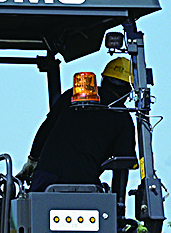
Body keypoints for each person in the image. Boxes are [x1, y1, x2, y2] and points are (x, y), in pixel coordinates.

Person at [23, 57, 139, 190]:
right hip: (83, 182)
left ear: (104, 80)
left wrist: (33, 160)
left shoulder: (73, 96)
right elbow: (121, 165)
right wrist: (119, 205)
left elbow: (46, 128)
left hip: (45, 178)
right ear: (128, 90)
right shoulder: (122, 116)